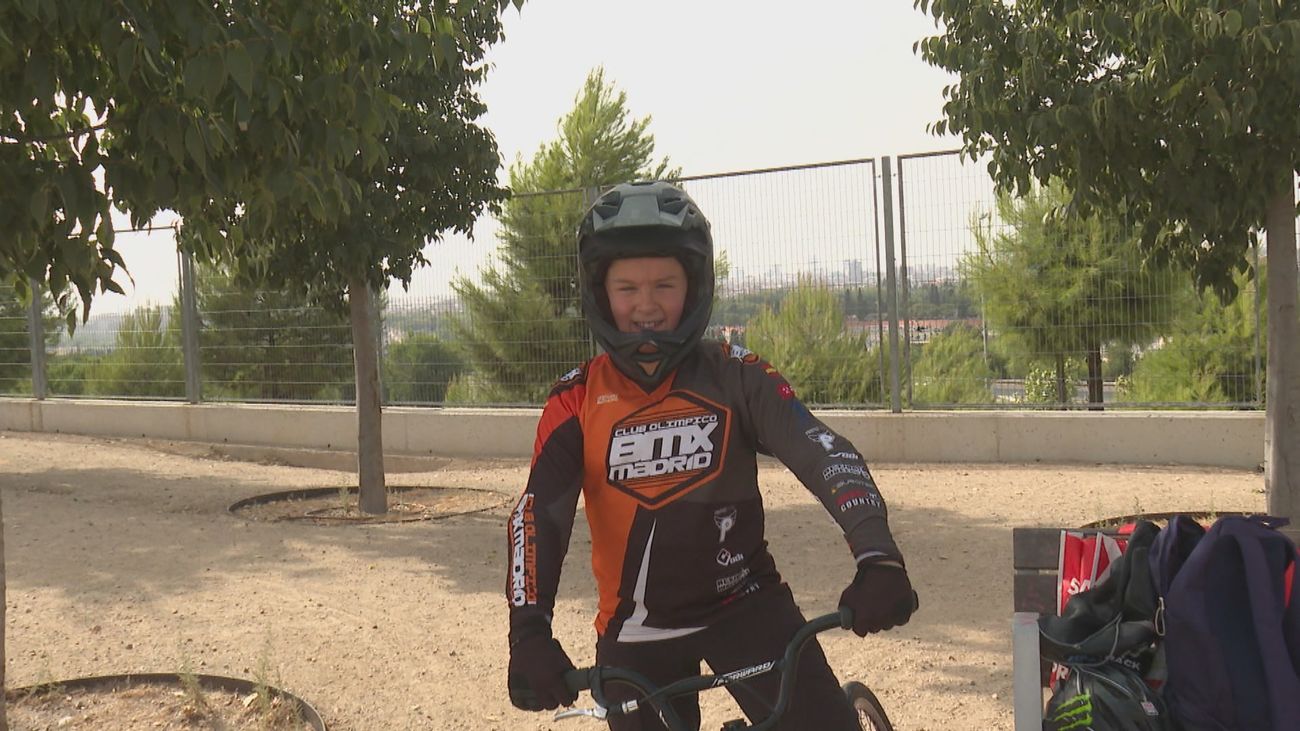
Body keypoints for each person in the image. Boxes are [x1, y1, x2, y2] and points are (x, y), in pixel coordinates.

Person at [505, 181, 915, 730]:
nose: (646, 305)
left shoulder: (736, 374)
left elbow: (822, 452)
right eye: (626, 287)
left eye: (664, 285)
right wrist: (529, 632)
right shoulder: (575, 399)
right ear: (600, 294)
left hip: (748, 607)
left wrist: (877, 556)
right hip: (635, 633)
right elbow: (538, 519)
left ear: (693, 287)